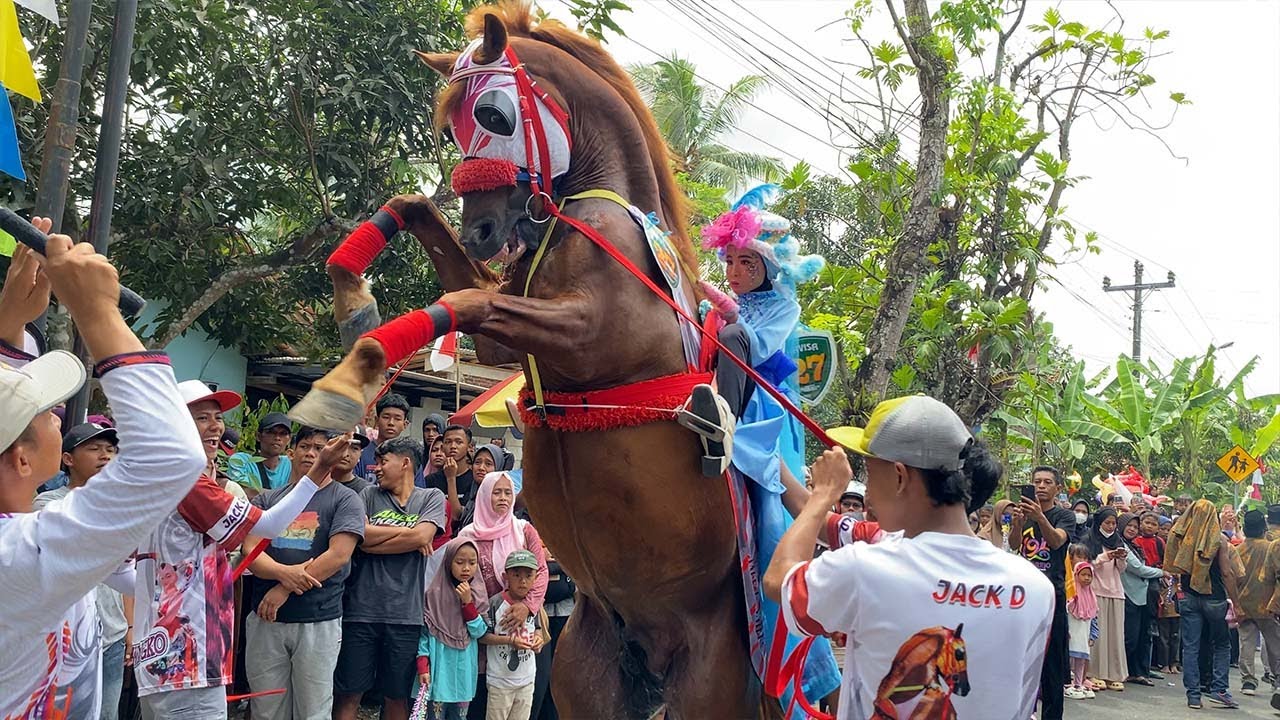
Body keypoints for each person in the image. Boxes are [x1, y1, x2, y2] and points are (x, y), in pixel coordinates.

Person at [0, 225, 207, 719]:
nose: (58, 417)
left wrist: (9, 325)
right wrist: (97, 311)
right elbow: (169, 455)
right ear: (22, 460)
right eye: (45, 414)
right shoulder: (18, 557)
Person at [764, 396, 1054, 718]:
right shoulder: (1035, 588)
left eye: (871, 476)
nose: (869, 497)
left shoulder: (866, 568)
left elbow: (779, 580)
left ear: (900, 477)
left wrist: (823, 495)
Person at [683, 185, 841, 707]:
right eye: (729, 261)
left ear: (769, 268)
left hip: (765, 418)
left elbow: (750, 347)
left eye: (746, 262)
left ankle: (799, 665)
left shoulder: (782, 308)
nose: (734, 271)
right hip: (708, 396)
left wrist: (723, 310)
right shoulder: (714, 305)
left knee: (775, 527)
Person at [132, 380, 331, 719]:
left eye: (218, 417)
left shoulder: (151, 478)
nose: (216, 427)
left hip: (159, 656)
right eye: (202, 418)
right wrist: (319, 471)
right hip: (189, 660)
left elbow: (122, 567)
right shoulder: (186, 479)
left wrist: (170, 588)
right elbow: (267, 525)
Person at [243, 429, 363, 720]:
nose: (311, 453)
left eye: (319, 448)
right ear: (291, 453)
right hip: (265, 619)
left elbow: (338, 555)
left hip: (318, 620)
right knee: (265, 709)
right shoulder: (268, 500)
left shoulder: (346, 500)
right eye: (305, 446)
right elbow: (250, 550)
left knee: (313, 710)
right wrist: (285, 574)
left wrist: (283, 588)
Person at [335, 435, 446, 720]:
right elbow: (359, 538)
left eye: (383, 461)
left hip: (405, 616)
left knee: (396, 696)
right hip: (360, 612)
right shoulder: (367, 496)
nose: (377, 468)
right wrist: (410, 537)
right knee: (349, 693)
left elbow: (423, 536)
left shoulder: (431, 497)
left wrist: (374, 539)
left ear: (405, 462)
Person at [32, 422, 132, 720]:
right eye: (94, 448)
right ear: (68, 459)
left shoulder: (121, 506)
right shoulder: (48, 503)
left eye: (111, 450)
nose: (105, 456)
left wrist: (129, 627)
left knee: (107, 714)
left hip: (111, 633)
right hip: (64, 638)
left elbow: (127, 570)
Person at [458, 472, 549, 720]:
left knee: (522, 693)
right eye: (496, 492)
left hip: (525, 622)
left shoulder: (523, 530)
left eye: (508, 492)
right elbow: (467, 579)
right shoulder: (468, 535)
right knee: (485, 701)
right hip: (480, 623)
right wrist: (489, 618)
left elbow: (541, 570)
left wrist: (527, 607)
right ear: (485, 495)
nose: (503, 498)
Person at [1008, 466, 1075, 720]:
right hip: (1024, 595)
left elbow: (1058, 541)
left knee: (1052, 667)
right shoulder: (1025, 514)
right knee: (1022, 660)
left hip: (1052, 596)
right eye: (1037, 482)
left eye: (1048, 482)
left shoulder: (1064, 516)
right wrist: (1018, 524)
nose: (1041, 486)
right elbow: (1015, 545)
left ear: (1057, 488)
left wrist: (1040, 518)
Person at [1167, 498, 1243, 710]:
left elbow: (1174, 567)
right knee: (1221, 644)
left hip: (1189, 598)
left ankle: (1193, 696)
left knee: (1190, 646)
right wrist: (1236, 603)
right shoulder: (1219, 540)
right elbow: (1227, 573)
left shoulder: (1182, 539)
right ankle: (1219, 689)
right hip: (1215, 599)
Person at [417, 538, 490, 720]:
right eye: (459, 562)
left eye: (472, 563)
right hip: (438, 673)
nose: (466, 568)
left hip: (463, 674)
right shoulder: (433, 595)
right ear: (448, 562)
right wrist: (422, 666)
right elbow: (425, 634)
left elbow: (480, 632)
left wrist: (468, 603)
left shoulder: (477, 593)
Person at [480, 549, 548, 720]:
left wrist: (538, 640)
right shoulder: (495, 603)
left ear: (535, 578)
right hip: (500, 681)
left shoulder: (533, 606)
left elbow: (538, 629)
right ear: (506, 577)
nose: (523, 581)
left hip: (526, 679)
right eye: (516, 575)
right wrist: (510, 641)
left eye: (528, 575)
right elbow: (483, 636)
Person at [1231, 509, 1280, 696]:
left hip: (1244, 604)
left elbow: (1233, 576)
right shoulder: (1271, 546)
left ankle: (1248, 681)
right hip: (1267, 604)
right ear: (1263, 528)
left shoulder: (1238, 549)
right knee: (1275, 643)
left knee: (1247, 643)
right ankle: (1277, 679)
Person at [1117, 512, 1166, 686]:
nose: (1132, 529)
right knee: (1131, 635)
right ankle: (1126, 670)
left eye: (1134, 527)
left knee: (1142, 634)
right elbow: (1138, 569)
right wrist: (1163, 572)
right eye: (1129, 525)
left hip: (1140, 595)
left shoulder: (1133, 545)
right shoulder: (1120, 545)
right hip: (1128, 594)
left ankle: (1138, 671)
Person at [1086, 507, 1129, 691]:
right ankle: (1094, 672)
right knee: (1098, 635)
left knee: (1115, 635)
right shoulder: (1089, 539)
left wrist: (1121, 558)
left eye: (1113, 523)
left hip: (1115, 591)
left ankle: (1114, 674)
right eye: (1107, 523)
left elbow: (1121, 569)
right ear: (1099, 523)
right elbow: (1085, 565)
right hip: (1096, 590)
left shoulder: (1118, 541)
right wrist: (1104, 557)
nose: (1111, 527)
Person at [227, 412, 293, 497]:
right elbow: (241, 491)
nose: (277, 438)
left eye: (283, 433)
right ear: (258, 436)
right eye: (271, 432)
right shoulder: (241, 460)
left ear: (289, 440)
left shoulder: (291, 463)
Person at [353, 393, 413, 482]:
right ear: (377, 420)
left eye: (397, 418)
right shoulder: (361, 451)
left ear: (405, 424)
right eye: (386, 417)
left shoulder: (411, 458)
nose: (391, 423)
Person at [424, 425, 477, 524]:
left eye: (459, 442)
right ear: (443, 447)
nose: (453, 446)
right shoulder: (430, 480)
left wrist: (451, 478)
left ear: (469, 447)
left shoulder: (474, 480)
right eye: (448, 442)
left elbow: (456, 516)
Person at [1066, 559, 1099, 700]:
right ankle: (1067, 685)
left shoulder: (1092, 597)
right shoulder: (1072, 596)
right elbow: (1066, 614)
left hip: (1083, 636)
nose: (1086, 578)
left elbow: (1094, 618)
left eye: (1089, 575)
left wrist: (1093, 634)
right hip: (1071, 634)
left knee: (1081, 660)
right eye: (1083, 574)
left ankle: (1078, 684)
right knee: (1068, 659)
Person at [332, 431, 373, 495]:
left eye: (354, 448)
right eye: (341, 446)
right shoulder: (316, 482)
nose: (346, 454)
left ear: (360, 455)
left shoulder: (368, 492)